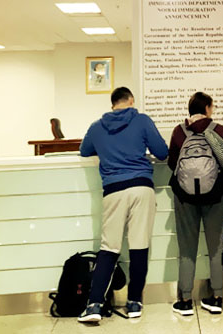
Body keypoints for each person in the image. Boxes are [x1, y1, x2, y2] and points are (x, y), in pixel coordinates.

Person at [77, 87, 169, 323]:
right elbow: (162, 152)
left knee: (109, 247)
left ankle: (95, 304)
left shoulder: (97, 126)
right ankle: (134, 302)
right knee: (139, 245)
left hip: (113, 191)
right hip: (141, 187)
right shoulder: (141, 120)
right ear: (131, 101)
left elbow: (84, 150)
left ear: (112, 104)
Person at [168, 92, 223, 316]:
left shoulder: (179, 131)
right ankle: (217, 297)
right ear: (207, 107)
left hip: (185, 197)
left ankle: (186, 299)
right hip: (215, 195)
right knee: (216, 246)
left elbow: (172, 164)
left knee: (187, 249)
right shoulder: (217, 130)